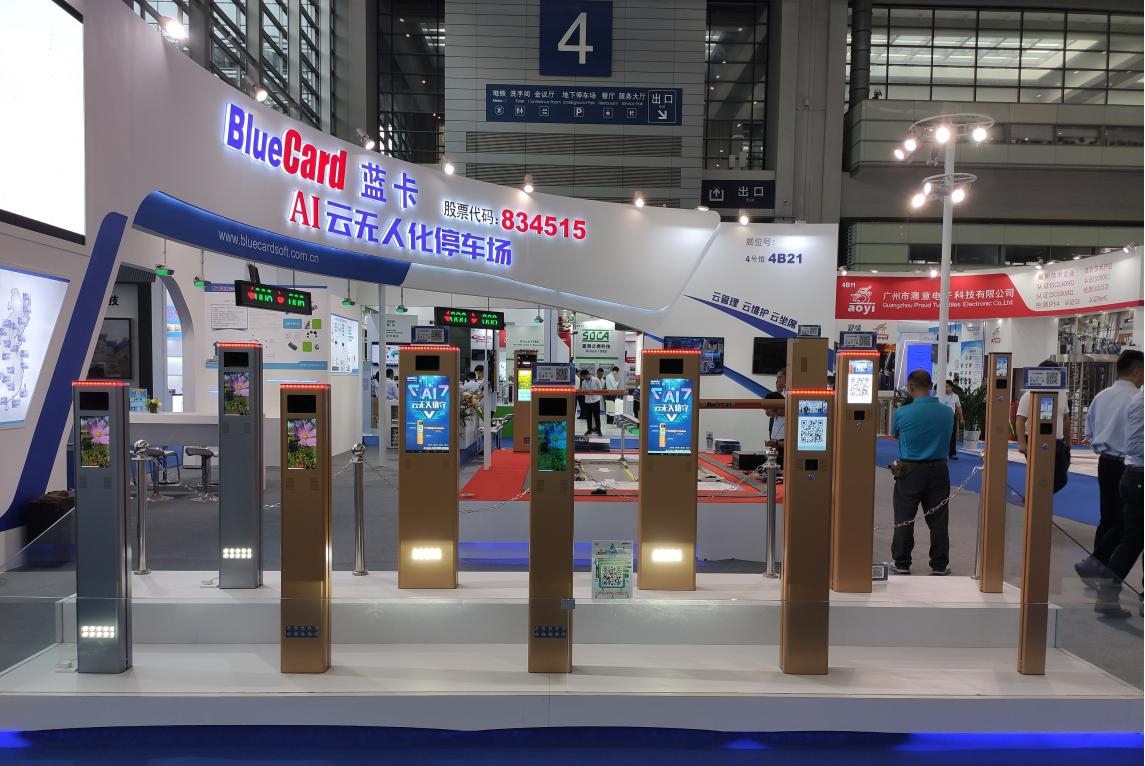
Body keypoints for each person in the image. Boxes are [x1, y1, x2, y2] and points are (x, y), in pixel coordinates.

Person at [1078, 349, 1144, 580]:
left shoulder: (1101, 396)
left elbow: (1089, 432)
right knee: (1125, 523)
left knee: (1107, 516)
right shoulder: (1137, 399)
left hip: (1105, 463)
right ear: (1136, 371)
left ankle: (1097, 563)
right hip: (1130, 466)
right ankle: (1100, 563)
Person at [889, 369, 953, 576]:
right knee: (939, 519)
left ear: (910, 387)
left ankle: (902, 562)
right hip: (939, 471)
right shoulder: (947, 413)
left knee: (904, 517)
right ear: (931, 386)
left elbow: (895, 434)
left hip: (909, 471)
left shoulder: (902, 413)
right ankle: (939, 564)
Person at [1094, 386, 1143, 618]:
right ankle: (1106, 594)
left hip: (1133, 474)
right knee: (1131, 539)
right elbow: (1135, 444)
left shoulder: (1137, 397)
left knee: (1131, 540)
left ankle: (1106, 595)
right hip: (1139, 475)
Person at [1015, 359, 1072, 493]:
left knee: (1061, 478)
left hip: (1057, 441)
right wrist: (1022, 443)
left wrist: (1068, 440)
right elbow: (1020, 420)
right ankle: (1035, 499)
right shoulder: (1029, 395)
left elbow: (1065, 418)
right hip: (1034, 440)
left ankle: (1037, 497)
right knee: (1039, 475)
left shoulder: (1062, 394)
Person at [764, 367, 786, 472]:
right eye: (777, 378)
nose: (778, 380)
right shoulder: (781, 393)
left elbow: (788, 411)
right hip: (776, 435)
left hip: (782, 438)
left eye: (780, 377)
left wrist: (774, 412)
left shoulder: (790, 394)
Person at [938, 380, 964, 460]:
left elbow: (958, 408)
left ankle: (952, 453)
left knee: (952, 435)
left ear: (951, 387)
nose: (945, 388)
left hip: (951, 417)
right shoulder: (939, 395)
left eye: (947, 386)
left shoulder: (956, 396)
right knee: (941, 435)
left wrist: (961, 418)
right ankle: (940, 453)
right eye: (944, 386)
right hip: (940, 417)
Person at [578, 368, 602, 436]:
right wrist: (587, 394)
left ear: (588, 374)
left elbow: (600, 389)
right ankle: (589, 430)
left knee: (597, 416)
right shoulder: (583, 382)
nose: (584, 378)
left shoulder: (596, 380)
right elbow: (583, 391)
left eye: (585, 376)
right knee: (588, 417)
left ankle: (598, 430)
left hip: (596, 400)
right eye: (583, 377)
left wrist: (593, 394)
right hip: (587, 401)